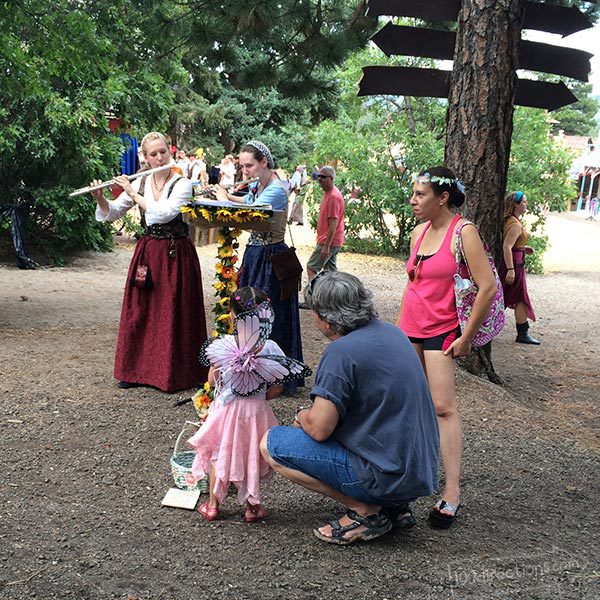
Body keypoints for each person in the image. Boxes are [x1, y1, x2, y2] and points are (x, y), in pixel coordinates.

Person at [261, 271, 439, 545]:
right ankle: (395, 506)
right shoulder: (394, 333)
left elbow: (320, 428)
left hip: (386, 475)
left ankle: (365, 510)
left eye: (316, 312)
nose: (313, 318)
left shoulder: (342, 352)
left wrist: (301, 417)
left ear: (329, 319)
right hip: (418, 472)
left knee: (271, 444)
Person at [397, 166, 496, 528]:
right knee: (408, 404)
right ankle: (404, 483)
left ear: (442, 197)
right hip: (411, 329)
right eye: (413, 193)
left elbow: (486, 287)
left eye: (420, 194)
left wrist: (466, 337)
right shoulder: (418, 233)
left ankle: (451, 492)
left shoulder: (464, 232)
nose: (413, 200)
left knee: (442, 407)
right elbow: (413, 286)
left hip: (443, 330)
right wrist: (397, 332)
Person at [90, 131, 208, 392]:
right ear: (145, 156)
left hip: (176, 254)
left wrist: (131, 191)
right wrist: (100, 197)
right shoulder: (141, 182)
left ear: (170, 152)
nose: (158, 157)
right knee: (141, 310)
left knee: (173, 310)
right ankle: (135, 371)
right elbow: (111, 213)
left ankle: (174, 374)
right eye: (153, 154)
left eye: (162, 152)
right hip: (148, 252)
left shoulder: (182, 183)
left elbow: (164, 214)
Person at [189, 287, 311, 522]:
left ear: (233, 316)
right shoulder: (272, 348)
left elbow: (212, 381)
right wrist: (258, 398)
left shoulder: (223, 345)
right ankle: (251, 508)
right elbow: (277, 388)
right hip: (256, 412)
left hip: (226, 410)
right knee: (250, 457)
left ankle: (213, 505)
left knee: (218, 454)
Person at [215, 140, 304, 393]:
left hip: (270, 258)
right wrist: (226, 194)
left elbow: (252, 213)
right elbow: (248, 202)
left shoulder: (276, 188)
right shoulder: (259, 185)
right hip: (256, 255)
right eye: (242, 166)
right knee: (246, 310)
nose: (245, 171)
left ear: (264, 162)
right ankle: (249, 369)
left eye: (250, 165)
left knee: (267, 312)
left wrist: (224, 200)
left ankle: (272, 375)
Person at [500, 191, 540, 345]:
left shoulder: (511, 220)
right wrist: (510, 269)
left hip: (516, 263)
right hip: (514, 266)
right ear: (515, 204)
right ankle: (522, 333)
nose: (526, 204)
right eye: (523, 202)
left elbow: (512, 244)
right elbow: (506, 247)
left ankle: (522, 332)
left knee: (518, 298)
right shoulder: (515, 224)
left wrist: (523, 248)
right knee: (514, 297)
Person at [306, 166, 345, 281]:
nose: (319, 179)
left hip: (328, 241)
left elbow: (333, 224)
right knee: (331, 274)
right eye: (318, 176)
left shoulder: (333, 196)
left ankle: (314, 296)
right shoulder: (328, 193)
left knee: (311, 267)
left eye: (323, 177)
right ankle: (334, 297)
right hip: (333, 241)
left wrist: (326, 246)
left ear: (331, 179)